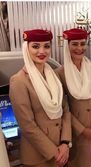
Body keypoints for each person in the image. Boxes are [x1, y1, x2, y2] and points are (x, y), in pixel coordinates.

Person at [9, 29, 71, 167]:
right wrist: (55, 152)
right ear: (27, 48)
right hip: (38, 156)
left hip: (62, 148)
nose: (42, 51)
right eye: (36, 46)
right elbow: (28, 126)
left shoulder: (53, 75)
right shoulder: (19, 81)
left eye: (46, 46)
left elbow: (65, 110)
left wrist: (65, 143)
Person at [56, 28, 91, 167]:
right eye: (74, 44)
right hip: (77, 133)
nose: (79, 48)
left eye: (83, 43)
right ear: (67, 46)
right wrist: (83, 130)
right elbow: (62, 109)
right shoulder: (60, 73)